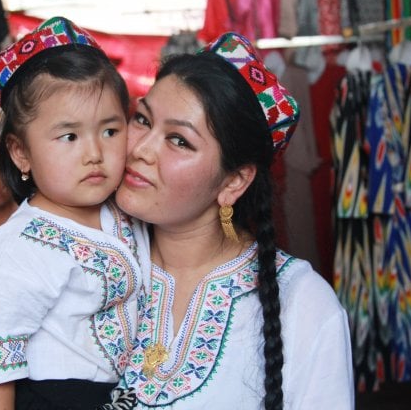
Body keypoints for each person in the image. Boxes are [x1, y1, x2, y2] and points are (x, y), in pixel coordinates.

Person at [114, 33, 354, 409]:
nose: (140, 149)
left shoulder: (304, 304)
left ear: (233, 181)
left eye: (179, 140)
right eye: (142, 119)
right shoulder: (92, 260)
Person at [0, 16, 148, 409]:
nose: (94, 153)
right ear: (21, 152)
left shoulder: (127, 210)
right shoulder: (16, 249)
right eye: (69, 136)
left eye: (110, 130)